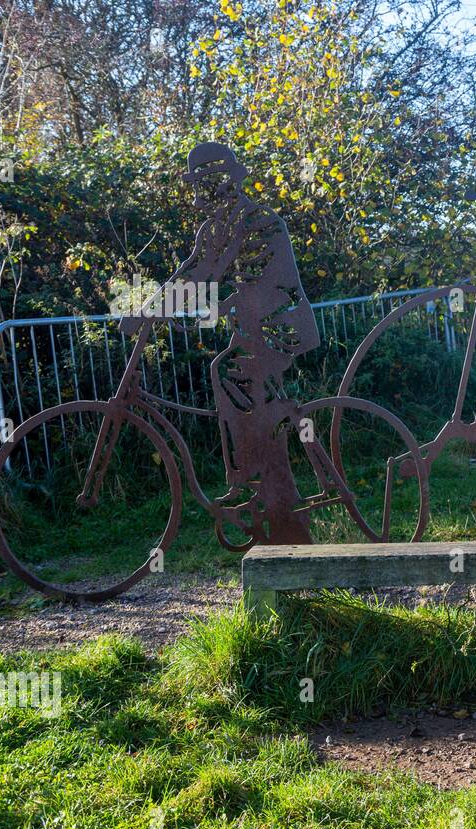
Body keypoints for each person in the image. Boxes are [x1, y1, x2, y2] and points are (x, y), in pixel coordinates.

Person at [122, 142, 319, 544]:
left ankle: (267, 494)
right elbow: (191, 271)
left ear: (221, 183)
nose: (196, 195)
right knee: (229, 377)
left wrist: (175, 310)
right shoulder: (218, 224)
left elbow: (226, 275)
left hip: (281, 326)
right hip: (252, 325)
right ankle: (254, 483)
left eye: (201, 185)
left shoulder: (254, 219)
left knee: (233, 374)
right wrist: (150, 311)